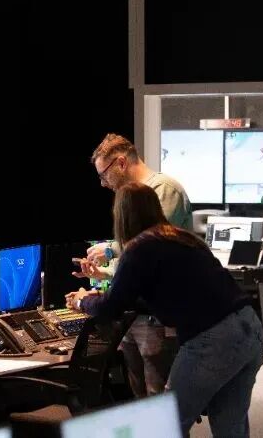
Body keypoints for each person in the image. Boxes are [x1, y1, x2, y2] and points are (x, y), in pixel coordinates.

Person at [67, 183, 263, 437]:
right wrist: (108, 297)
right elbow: (169, 295)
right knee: (231, 429)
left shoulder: (138, 248)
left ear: (122, 217)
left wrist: (82, 301)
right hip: (250, 328)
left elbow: (110, 308)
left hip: (213, 341)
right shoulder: (183, 238)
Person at [83, 133, 191, 399]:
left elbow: (151, 241)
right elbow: (138, 261)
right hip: (134, 314)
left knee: (160, 397)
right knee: (140, 397)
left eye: (104, 175)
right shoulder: (130, 198)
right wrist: (105, 272)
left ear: (121, 163)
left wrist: (110, 249)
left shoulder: (164, 189)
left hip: (158, 316)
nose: (103, 183)